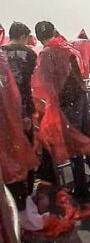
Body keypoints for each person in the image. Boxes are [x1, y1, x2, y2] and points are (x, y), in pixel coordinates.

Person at [31, 21, 90, 199]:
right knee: (86, 136)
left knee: (73, 141)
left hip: (66, 102)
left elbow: (42, 81)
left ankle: (81, 186)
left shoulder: (47, 53)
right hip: (80, 95)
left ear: (40, 36)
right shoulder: (66, 47)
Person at [0, 25, 39, 231]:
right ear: (24, 36)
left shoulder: (3, 52)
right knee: (27, 152)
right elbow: (28, 85)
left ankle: (10, 204)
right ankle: (26, 195)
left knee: (9, 157)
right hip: (22, 111)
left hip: (5, 116)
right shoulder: (30, 54)